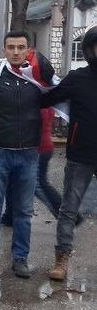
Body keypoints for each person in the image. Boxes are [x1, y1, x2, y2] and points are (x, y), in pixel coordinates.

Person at [0, 31, 50, 279]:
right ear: (3, 50)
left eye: (21, 47)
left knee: (24, 212)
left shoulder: (36, 77)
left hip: (28, 154)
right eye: (11, 47)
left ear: (28, 50)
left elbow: (60, 95)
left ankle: (20, 259)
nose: (16, 52)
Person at [43, 26, 97, 281]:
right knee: (69, 208)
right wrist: (26, 85)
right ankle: (62, 257)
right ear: (89, 50)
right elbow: (47, 98)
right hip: (81, 153)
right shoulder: (77, 78)